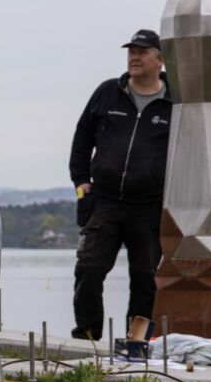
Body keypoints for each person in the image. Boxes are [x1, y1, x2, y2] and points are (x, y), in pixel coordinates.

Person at [68, 29, 173, 341]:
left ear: (161, 59)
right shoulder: (107, 92)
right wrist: (81, 182)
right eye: (131, 51)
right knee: (88, 269)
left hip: (150, 206)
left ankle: (136, 343)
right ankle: (87, 339)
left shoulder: (175, 100)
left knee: (145, 278)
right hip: (105, 201)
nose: (134, 57)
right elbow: (82, 136)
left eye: (142, 52)